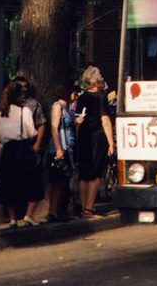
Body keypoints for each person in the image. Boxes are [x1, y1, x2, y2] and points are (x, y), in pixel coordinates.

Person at [0, 81, 42, 227]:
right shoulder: (24, 111)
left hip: (7, 150)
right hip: (23, 147)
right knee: (33, 181)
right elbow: (31, 131)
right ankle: (29, 215)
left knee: (9, 184)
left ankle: (13, 218)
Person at [74, 66, 114, 218]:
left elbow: (78, 120)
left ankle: (84, 206)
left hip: (83, 135)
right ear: (97, 82)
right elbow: (105, 120)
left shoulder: (81, 98)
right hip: (97, 136)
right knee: (95, 173)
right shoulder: (100, 98)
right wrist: (111, 142)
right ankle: (90, 207)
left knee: (84, 173)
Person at [12, 75, 46, 225]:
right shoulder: (8, 103)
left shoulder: (32, 104)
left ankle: (28, 214)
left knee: (31, 179)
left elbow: (41, 123)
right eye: (20, 86)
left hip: (29, 144)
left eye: (25, 86)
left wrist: (38, 143)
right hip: (12, 145)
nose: (23, 90)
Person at [46, 81, 78, 222]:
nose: (75, 95)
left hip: (68, 147)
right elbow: (54, 127)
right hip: (60, 148)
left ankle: (59, 211)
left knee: (62, 181)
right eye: (73, 92)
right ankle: (53, 212)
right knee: (58, 181)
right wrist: (58, 148)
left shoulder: (67, 107)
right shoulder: (58, 106)